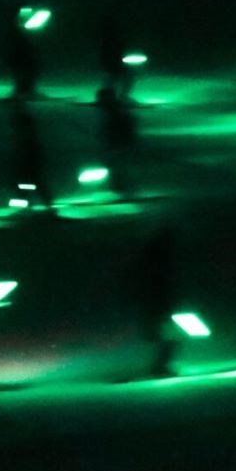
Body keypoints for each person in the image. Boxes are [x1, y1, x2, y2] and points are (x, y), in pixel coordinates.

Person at [130, 227, 178, 377]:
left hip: (155, 305)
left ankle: (160, 366)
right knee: (168, 336)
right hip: (158, 305)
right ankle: (160, 367)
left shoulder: (151, 261)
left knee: (166, 336)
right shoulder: (160, 263)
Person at [96, 84, 138, 198]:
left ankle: (121, 187)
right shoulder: (116, 111)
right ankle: (121, 187)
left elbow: (126, 127)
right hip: (117, 142)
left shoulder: (116, 112)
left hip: (118, 143)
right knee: (118, 166)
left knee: (119, 166)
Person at [9, 102, 52, 210]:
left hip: (29, 158)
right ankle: (45, 205)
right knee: (31, 183)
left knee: (27, 183)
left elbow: (26, 146)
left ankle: (29, 206)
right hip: (30, 158)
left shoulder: (25, 133)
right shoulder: (28, 132)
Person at [5, 11, 40, 99]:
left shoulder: (22, 32)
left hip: (22, 56)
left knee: (25, 72)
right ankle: (23, 90)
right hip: (21, 56)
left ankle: (24, 90)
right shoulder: (20, 32)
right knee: (23, 72)